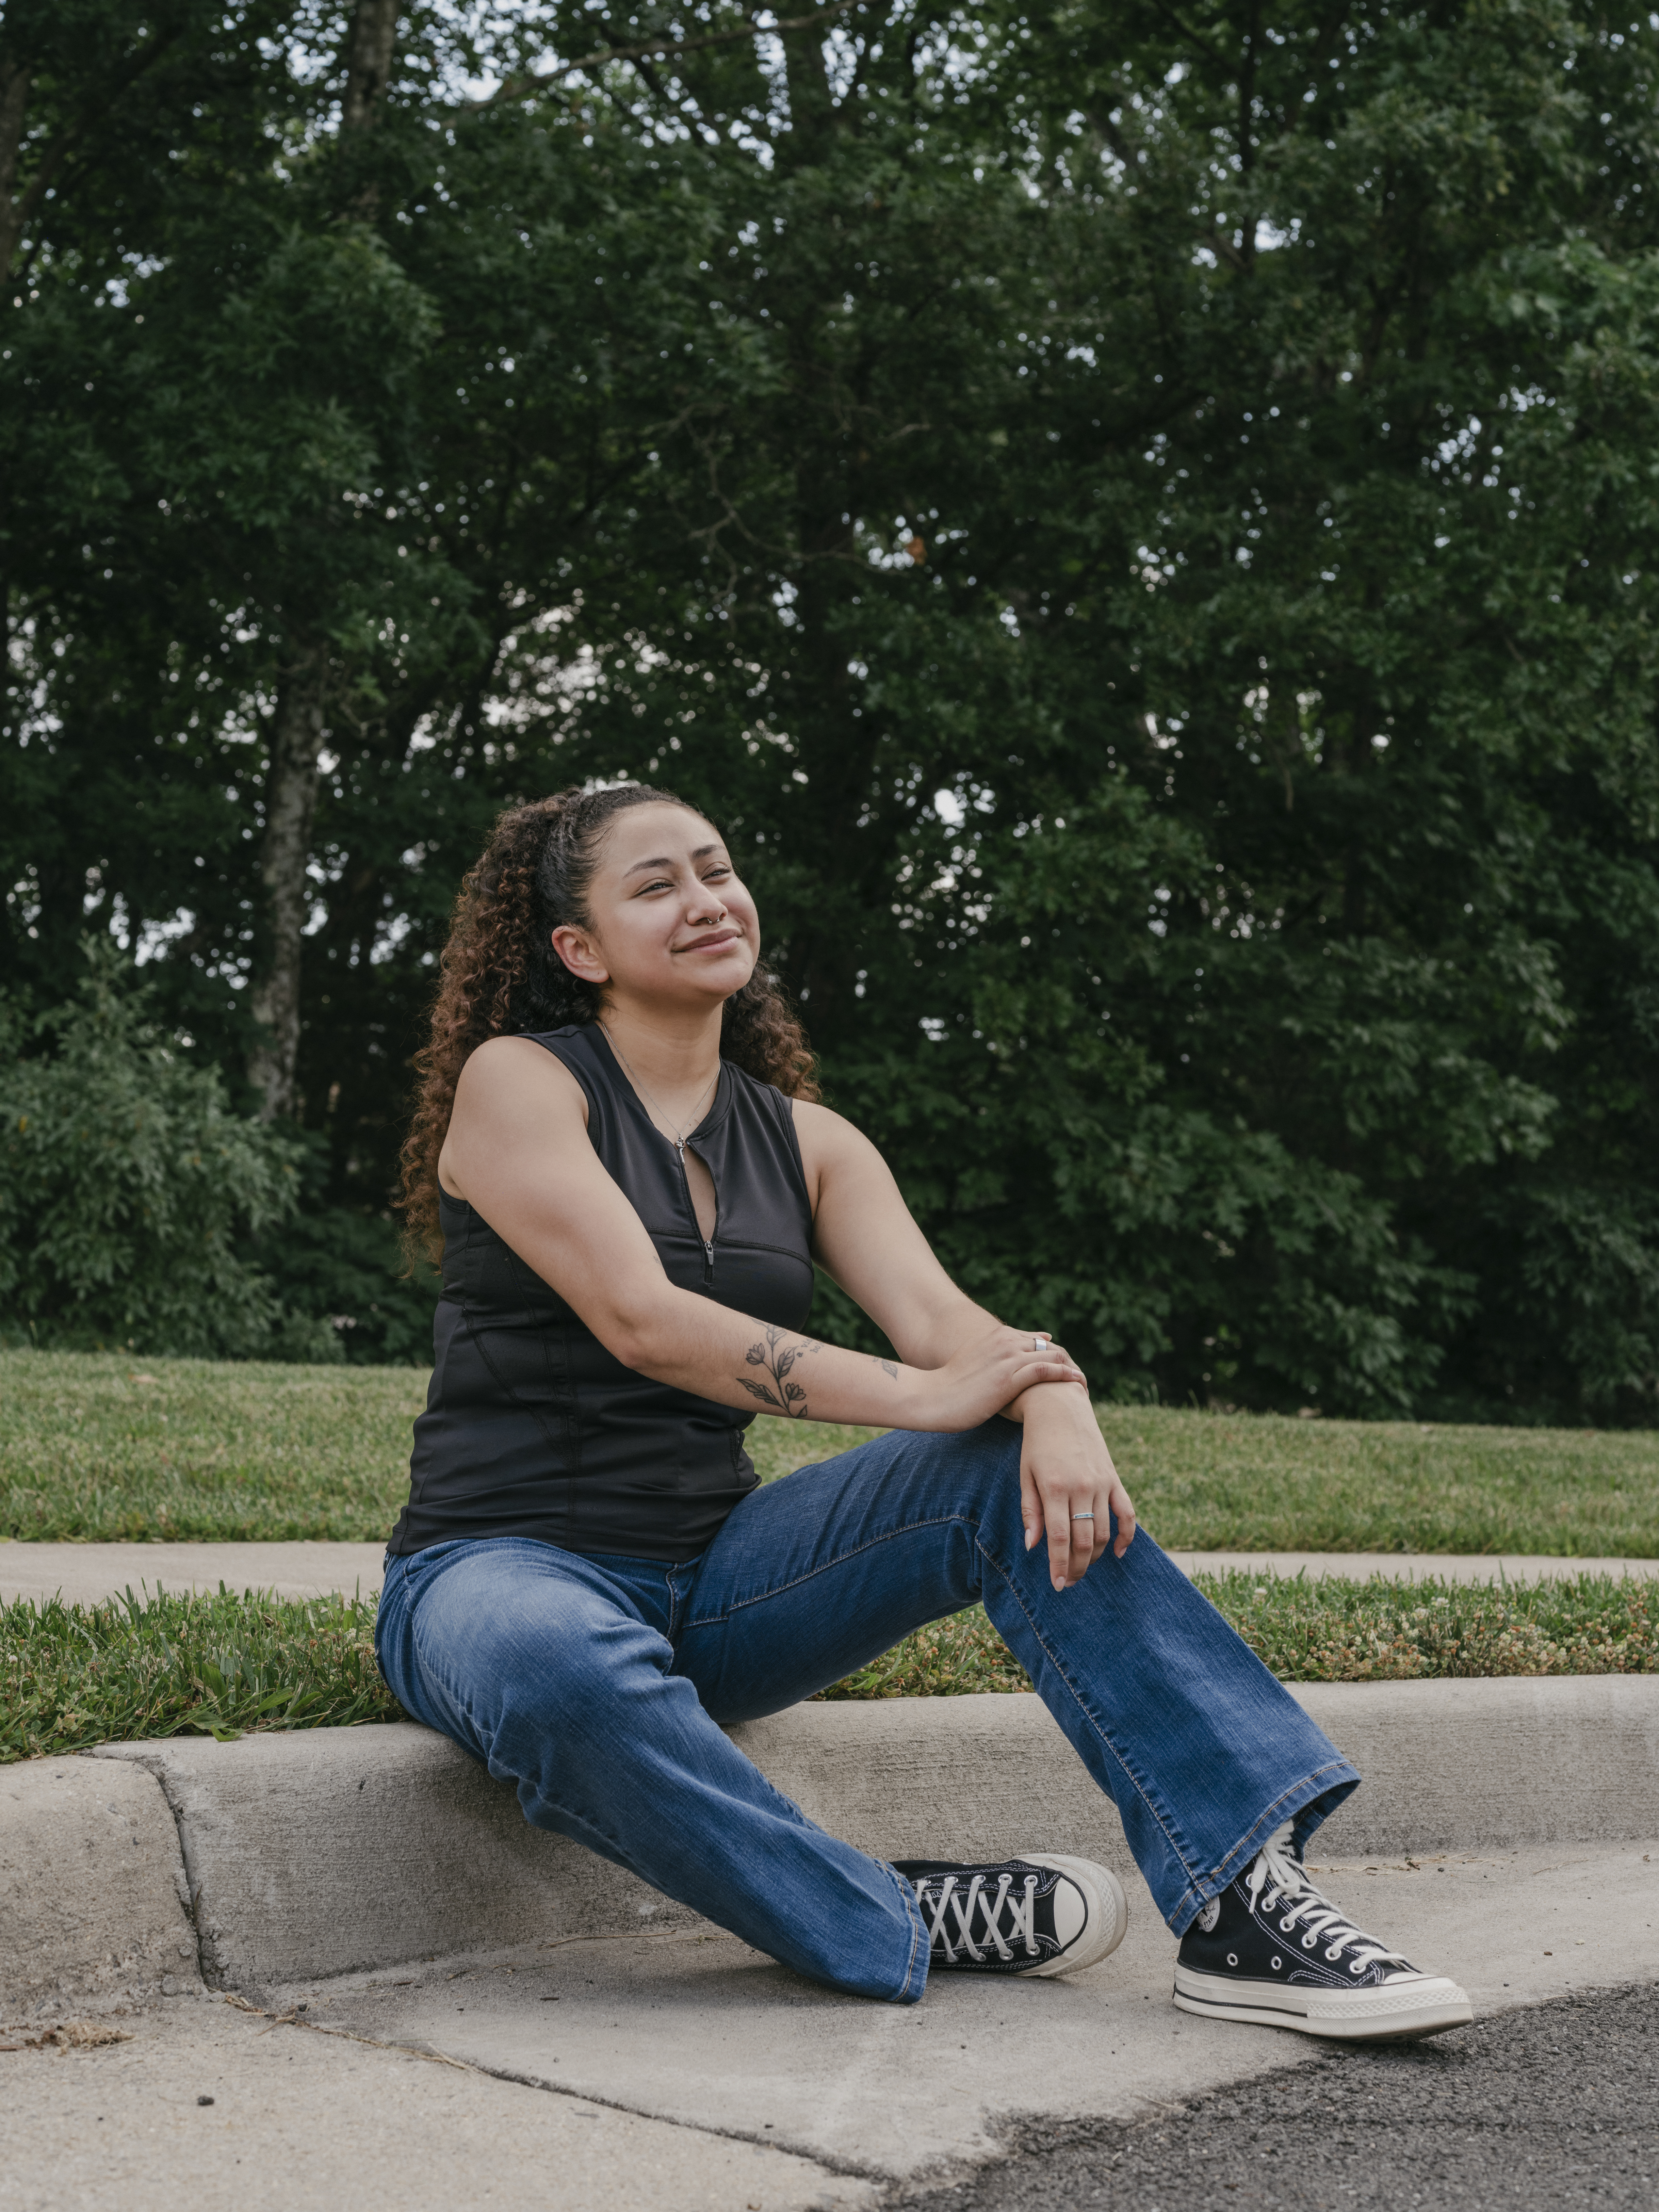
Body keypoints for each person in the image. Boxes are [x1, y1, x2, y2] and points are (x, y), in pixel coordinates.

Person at [378, 781, 1472, 2039]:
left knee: (1004, 1459)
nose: (704, 900)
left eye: (715, 867)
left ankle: (1245, 1899)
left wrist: (1049, 1395)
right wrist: (941, 1392)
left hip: (722, 1586)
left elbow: (958, 1336)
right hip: (494, 1572)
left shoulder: (812, 1143)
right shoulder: (521, 1081)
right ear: (579, 949)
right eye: (655, 885)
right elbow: (646, 1320)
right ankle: (893, 1911)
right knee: (548, 1666)